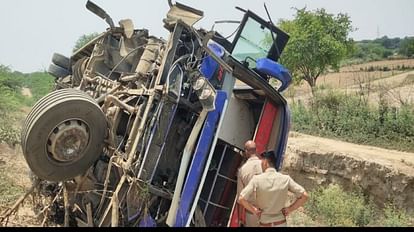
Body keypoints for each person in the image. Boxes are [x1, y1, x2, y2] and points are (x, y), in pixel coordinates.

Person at [238, 150, 308, 227]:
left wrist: (254, 210)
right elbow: (304, 196)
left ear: (265, 162)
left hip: (265, 224)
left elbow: (241, 199)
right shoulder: (285, 179)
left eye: (261, 162)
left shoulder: (256, 179)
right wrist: (290, 209)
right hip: (281, 223)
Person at [236, 140, 262, 227]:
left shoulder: (242, 170)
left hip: (252, 214)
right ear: (256, 150)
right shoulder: (265, 165)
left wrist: (240, 219)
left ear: (246, 151)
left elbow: (240, 199)